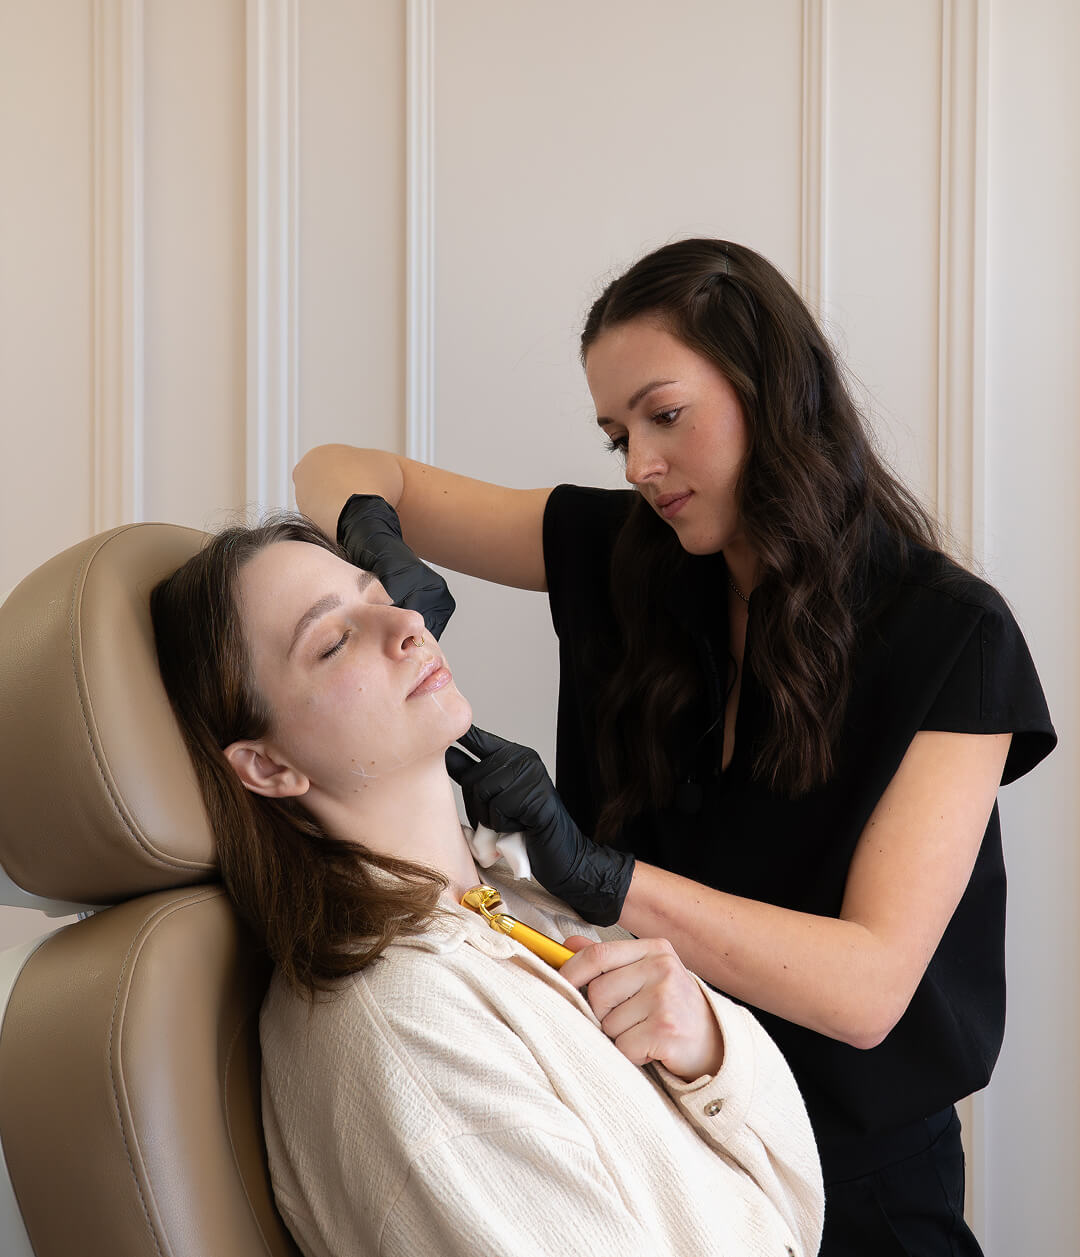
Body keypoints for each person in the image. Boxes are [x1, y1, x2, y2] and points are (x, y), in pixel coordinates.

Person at [292, 238, 1057, 1256]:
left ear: (770, 388)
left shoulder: (952, 635)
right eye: (617, 436)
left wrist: (600, 875)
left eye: (665, 415)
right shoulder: (629, 555)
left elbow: (869, 993)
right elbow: (339, 466)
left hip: (856, 1184)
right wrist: (375, 541)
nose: (642, 468)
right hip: (651, 1139)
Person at [149, 513, 824, 1257]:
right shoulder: (402, 1027)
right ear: (270, 766)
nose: (406, 623)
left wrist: (707, 1049)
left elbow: (798, 1204)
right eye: (333, 639)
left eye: (378, 593)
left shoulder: (511, 896)